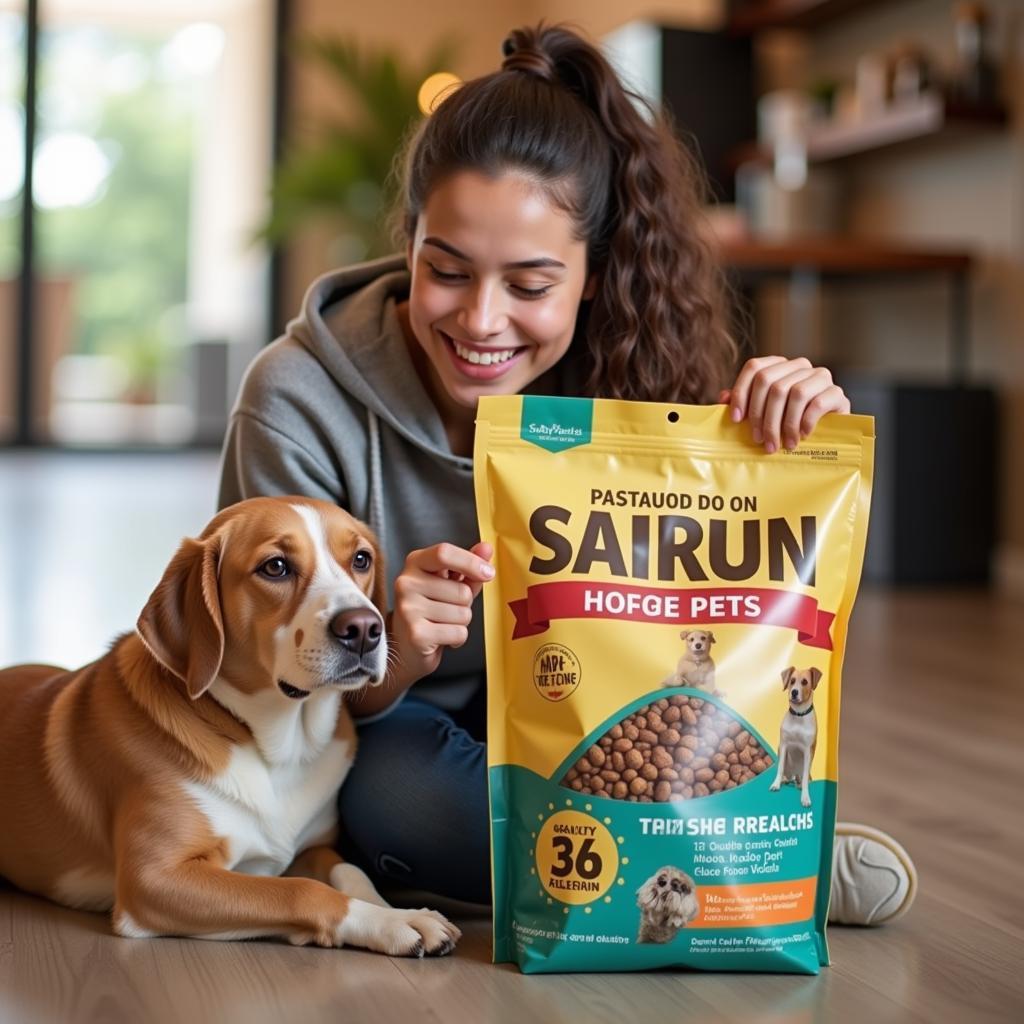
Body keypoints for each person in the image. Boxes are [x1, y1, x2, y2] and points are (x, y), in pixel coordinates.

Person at [218, 23, 916, 927]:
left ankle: (600, 868)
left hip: (585, 707)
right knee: (389, 796)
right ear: (410, 240)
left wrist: (787, 425)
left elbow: (713, 607)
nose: (482, 320)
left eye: (531, 285)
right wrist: (397, 643)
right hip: (382, 724)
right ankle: (745, 876)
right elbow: (265, 674)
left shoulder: (636, 373)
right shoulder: (295, 400)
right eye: (448, 271)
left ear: (593, 276)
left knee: (657, 750)